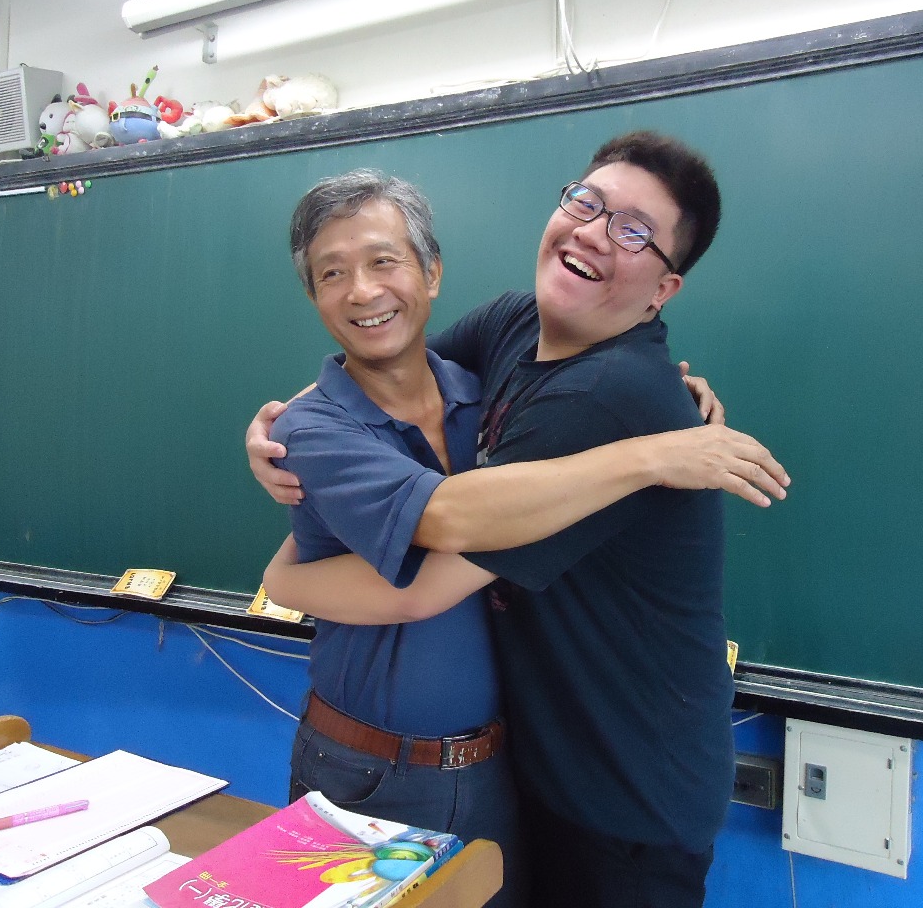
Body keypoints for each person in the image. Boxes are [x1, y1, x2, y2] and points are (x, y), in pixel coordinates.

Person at [253, 132, 789, 908]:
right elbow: (385, 358)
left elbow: (440, 542)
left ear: (663, 289)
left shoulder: (609, 397)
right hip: (538, 761)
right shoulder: (511, 327)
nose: (594, 231)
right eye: (587, 202)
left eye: (633, 231)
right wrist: (282, 431)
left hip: (623, 795)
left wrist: (647, 450)